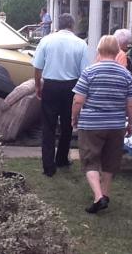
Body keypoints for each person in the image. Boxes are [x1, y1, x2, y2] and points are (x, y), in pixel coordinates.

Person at [72, 35, 132, 214]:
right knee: (110, 160)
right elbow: (131, 104)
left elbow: (78, 100)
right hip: (116, 125)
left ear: (99, 50)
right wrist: (130, 123)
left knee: (90, 159)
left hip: (91, 124)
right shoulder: (126, 74)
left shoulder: (90, 72)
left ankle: (98, 196)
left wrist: (74, 118)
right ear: (117, 51)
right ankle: (105, 194)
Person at [33, 13, 88, 177]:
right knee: (67, 125)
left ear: (58, 24)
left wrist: (37, 86)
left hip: (50, 85)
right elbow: (85, 73)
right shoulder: (80, 44)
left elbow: (37, 67)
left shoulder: (46, 41)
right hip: (71, 87)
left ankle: (48, 167)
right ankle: (62, 158)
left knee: (48, 126)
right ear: (72, 25)